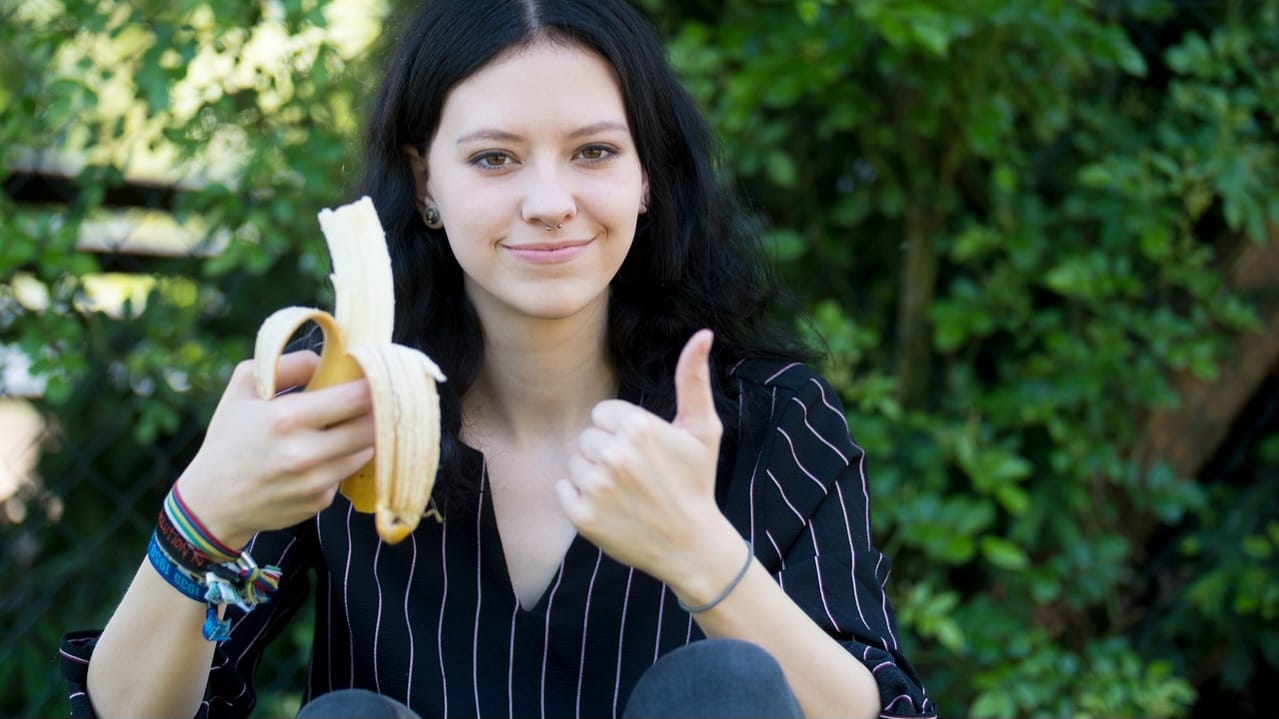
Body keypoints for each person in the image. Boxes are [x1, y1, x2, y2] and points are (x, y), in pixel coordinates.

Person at [59, 1, 937, 717]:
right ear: (428, 181)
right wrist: (203, 509)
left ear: (646, 175)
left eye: (593, 151)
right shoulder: (335, 417)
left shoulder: (769, 414)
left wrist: (703, 556)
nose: (549, 201)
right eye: (494, 159)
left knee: (727, 687)